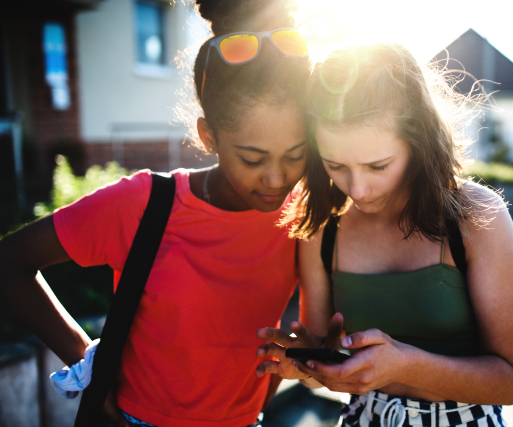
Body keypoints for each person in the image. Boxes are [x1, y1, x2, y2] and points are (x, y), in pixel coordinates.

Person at [0, 1, 311, 426]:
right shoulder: (145, 203)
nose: (277, 178)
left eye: (295, 155)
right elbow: (9, 261)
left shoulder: (303, 213)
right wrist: (87, 362)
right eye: (253, 159)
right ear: (209, 136)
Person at [256, 42, 513, 427]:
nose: (358, 188)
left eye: (377, 166)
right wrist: (310, 363)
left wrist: (404, 365)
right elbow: (322, 374)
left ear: (418, 143)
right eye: (335, 164)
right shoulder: (321, 227)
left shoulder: (476, 217)